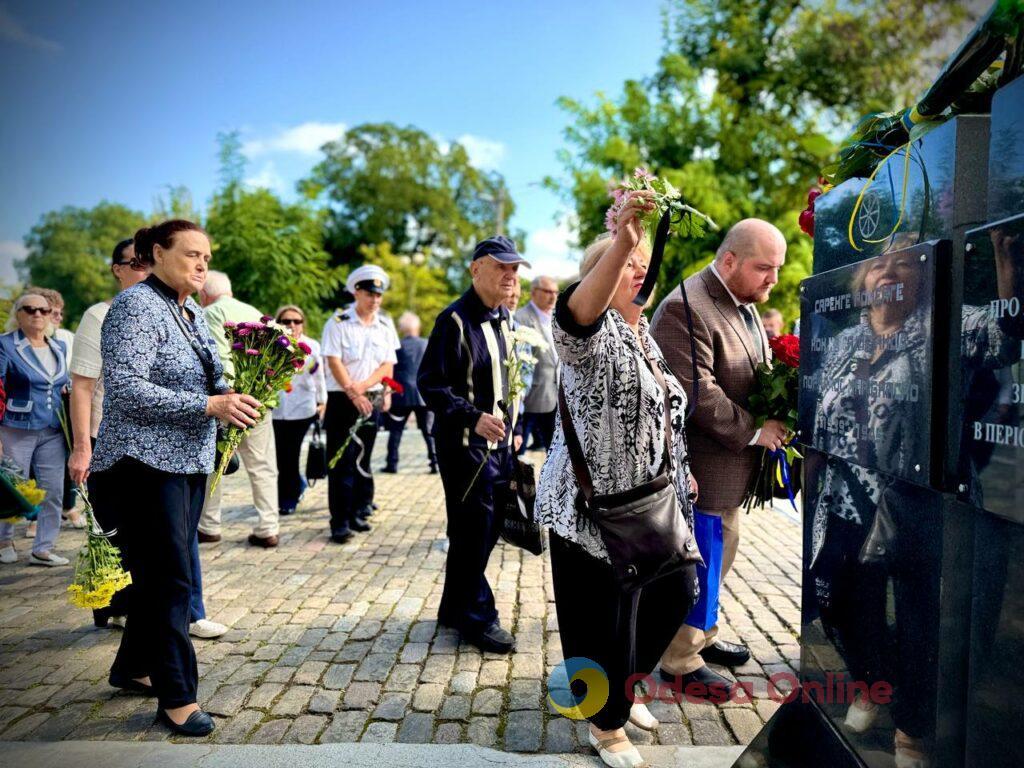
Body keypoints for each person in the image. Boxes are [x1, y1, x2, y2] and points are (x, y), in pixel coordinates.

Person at [535, 192, 700, 768]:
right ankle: (605, 724)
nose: (637, 269)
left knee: (675, 593)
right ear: (598, 280)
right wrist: (624, 240)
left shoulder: (645, 338)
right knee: (599, 620)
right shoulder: (589, 336)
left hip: (650, 502)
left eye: (641, 262)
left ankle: (620, 692)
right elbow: (574, 319)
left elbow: (664, 417)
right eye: (625, 264)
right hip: (586, 507)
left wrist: (682, 474)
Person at [88, 219, 261, 737]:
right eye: (191, 254)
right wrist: (208, 404)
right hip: (140, 467)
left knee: (163, 577)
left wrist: (236, 390)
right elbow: (125, 390)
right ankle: (177, 698)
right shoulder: (136, 306)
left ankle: (132, 668)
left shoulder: (185, 311)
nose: (201, 264)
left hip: (181, 465)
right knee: (171, 583)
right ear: (156, 253)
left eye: (206, 257)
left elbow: (206, 375)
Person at [650, 218, 788, 694]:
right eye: (764, 269)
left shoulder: (741, 302)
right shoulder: (684, 308)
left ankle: (700, 637)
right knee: (700, 563)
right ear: (729, 260)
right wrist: (757, 430)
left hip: (728, 472)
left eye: (777, 269)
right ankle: (679, 660)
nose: (773, 280)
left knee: (718, 559)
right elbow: (698, 395)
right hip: (701, 471)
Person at [418, 235, 528, 654]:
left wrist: (513, 424)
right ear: (475, 268)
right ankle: (478, 617)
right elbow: (430, 383)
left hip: (501, 449)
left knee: (482, 529)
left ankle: (453, 607)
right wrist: (473, 417)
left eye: (514, 268)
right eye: (501, 266)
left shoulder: (507, 320)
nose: (510, 274)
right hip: (465, 449)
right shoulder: (454, 321)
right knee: (474, 529)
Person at [68, 237, 151, 627]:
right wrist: (82, 447)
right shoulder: (98, 315)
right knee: (113, 525)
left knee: (148, 530)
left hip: (152, 439)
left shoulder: (166, 312)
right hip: (107, 436)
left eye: (149, 261)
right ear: (117, 269)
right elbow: (82, 386)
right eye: (135, 263)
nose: (144, 269)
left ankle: (146, 604)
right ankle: (114, 605)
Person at [198, 271, 280, 549]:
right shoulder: (255, 312)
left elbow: (218, 358)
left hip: (228, 401)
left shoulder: (210, 312)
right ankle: (268, 527)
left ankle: (209, 526)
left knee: (215, 462)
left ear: (205, 294)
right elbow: (281, 353)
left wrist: (228, 395)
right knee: (263, 466)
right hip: (259, 400)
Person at [321, 264, 398, 543]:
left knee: (362, 458)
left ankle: (356, 511)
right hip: (343, 398)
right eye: (369, 294)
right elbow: (333, 359)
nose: (375, 300)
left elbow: (388, 365)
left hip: (372, 395)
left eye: (378, 295)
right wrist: (353, 392)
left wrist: (363, 389)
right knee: (341, 462)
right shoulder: (338, 322)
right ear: (356, 292)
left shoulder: (385, 325)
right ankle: (339, 521)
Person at [0, 293, 71, 566]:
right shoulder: (6, 345)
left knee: (53, 490)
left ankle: (43, 547)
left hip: (53, 427)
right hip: (17, 427)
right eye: (30, 309)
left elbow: (62, 385)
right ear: (18, 314)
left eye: (44, 310)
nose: (37, 314)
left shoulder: (59, 347)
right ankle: (4, 539)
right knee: (13, 488)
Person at [28, 286, 81, 530]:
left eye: (60, 313)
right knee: (33, 466)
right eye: (55, 313)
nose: (58, 318)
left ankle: (68, 506)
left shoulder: (67, 338)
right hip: (34, 413)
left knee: (67, 455)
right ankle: (33, 515)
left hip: (64, 406)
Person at [271, 304, 326, 514]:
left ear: (303, 324)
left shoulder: (311, 347)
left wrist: (322, 401)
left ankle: (287, 498)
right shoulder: (270, 346)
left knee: (290, 455)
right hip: (276, 409)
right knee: (279, 456)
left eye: (296, 321)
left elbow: (318, 376)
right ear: (279, 323)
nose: (292, 325)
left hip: (302, 408)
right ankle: (296, 485)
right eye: (286, 321)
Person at [382, 312, 437, 474]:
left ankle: (392, 464)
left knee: (396, 430)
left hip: (400, 394)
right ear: (418, 327)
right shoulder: (428, 344)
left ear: (401, 329)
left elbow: (389, 370)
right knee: (428, 430)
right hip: (423, 394)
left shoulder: (396, 346)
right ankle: (435, 462)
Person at [515, 276, 560, 452]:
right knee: (519, 450)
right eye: (548, 291)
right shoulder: (521, 318)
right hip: (529, 395)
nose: (553, 296)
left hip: (554, 395)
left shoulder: (556, 317)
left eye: (556, 292)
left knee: (554, 452)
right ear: (534, 292)